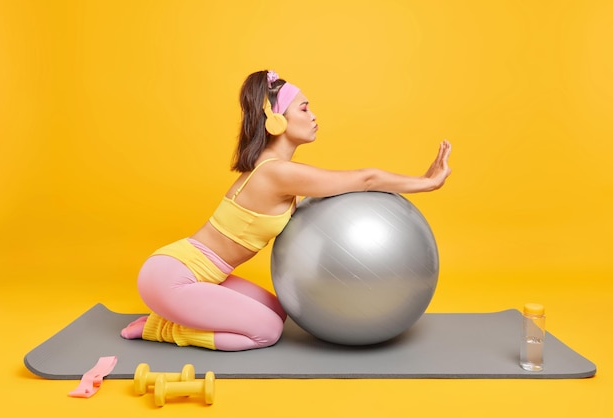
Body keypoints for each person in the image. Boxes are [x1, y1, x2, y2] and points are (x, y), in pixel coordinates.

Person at [120, 70, 452, 351]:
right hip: (172, 277)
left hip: (201, 274)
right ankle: (161, 329)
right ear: (277, 121)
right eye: (305, 109)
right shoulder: (276, 173)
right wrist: (427, 182)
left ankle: (174, 314)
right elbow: (364, 178)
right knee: (266, 331)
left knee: (278, 311)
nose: (313, 116)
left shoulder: (275, 170)